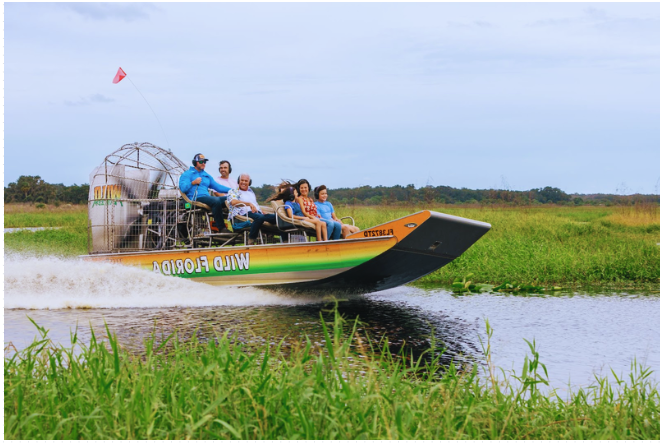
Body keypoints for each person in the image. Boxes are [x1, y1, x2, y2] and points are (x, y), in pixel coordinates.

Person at [228, 173, 285, 245]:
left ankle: (285, 240)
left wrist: (262, 211)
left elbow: (255, 204)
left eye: (246, 181)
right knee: (259, 217)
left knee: (278, 217)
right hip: (245, 214)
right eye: (242, 180)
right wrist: (249, 204)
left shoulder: (250, 192)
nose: (243, 182)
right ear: (238, 181)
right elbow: (233, 202)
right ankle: (251, 239)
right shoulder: (233, 191)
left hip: (257, 213)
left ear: (249, 182)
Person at [179, 153, 230, 230]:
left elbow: (217, 187)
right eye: (201, 162)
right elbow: (182, 188)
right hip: (195, 198)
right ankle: (221, 228)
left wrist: (233, 190)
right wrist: (193, 183)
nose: (203, 163)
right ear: (195, 163)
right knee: (215, 201)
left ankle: (238, 226)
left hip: (207, 198)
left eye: (204, 162)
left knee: (230, 199)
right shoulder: (187, 174)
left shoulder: (206, 175)